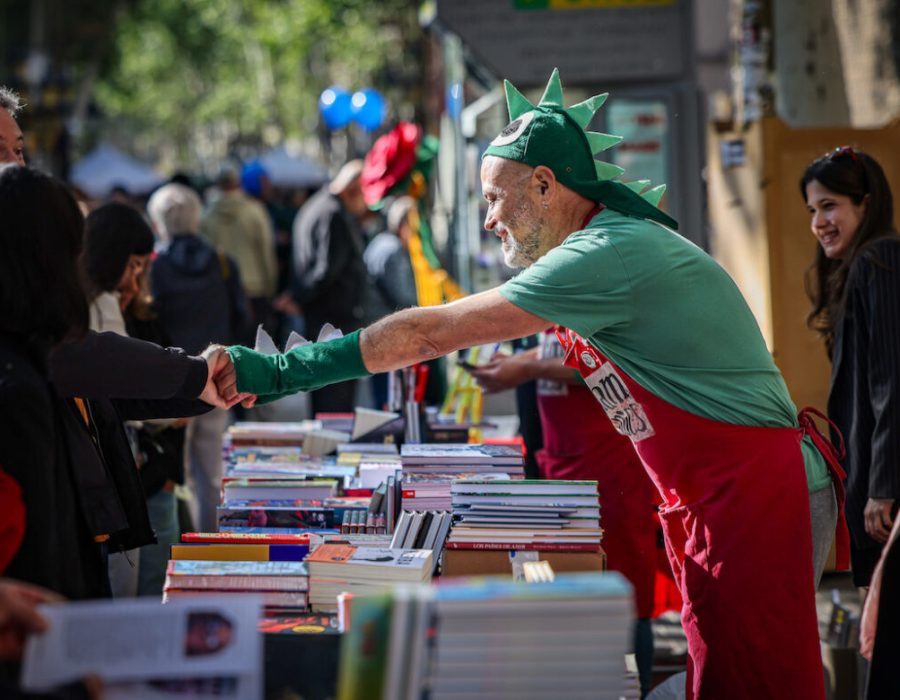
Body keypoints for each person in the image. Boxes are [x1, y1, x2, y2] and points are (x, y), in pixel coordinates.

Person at [223, 70, 842, 698]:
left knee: (759, 679)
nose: (489, 219)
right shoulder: (600, 245)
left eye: (495, 198)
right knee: (724, 672)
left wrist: (280, 371)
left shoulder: (602, 252)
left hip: (754, 494)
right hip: (715, 496)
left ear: (545, 185)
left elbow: (429, 334)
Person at [467, 333, 659, 695]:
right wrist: (518, 364)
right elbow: (565, 345)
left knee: (624, 590)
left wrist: (525, 367)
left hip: (608, 462)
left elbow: (606, 359)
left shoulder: (594, 284)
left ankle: (634, 689)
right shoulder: (557, 295)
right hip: (565, 461)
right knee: (570, 585)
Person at [802, 147, 900, 588]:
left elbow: (891, 382)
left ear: (865, 203)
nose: (818, 223)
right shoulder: (863, 266)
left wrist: (883, 484)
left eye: (829, 206)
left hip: (886, 492)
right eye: (812, 210)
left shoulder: (880, 261)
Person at [149, 183, 248, 532]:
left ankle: (181, 544)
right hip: (218, 377)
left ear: (159, 222)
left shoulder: (154, 269)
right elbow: (242, 317)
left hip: (169, 383)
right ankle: (208, 542)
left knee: (174, 476)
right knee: (210, 473)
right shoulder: (222, 263)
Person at [287, 159, 371, 413]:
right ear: (352, 189)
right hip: (334, 320)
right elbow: (325, 270)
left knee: (325, 392)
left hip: (324, 316)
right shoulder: (332, 214)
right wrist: (298, 297)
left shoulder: (317, 207)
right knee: (335, 399)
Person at [200, 165, 276, 342]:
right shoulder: (255, 211)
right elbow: (266, 252)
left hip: (222, 290)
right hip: (255, 290)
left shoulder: (206, 215)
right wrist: (271, 287)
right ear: (239, 182)